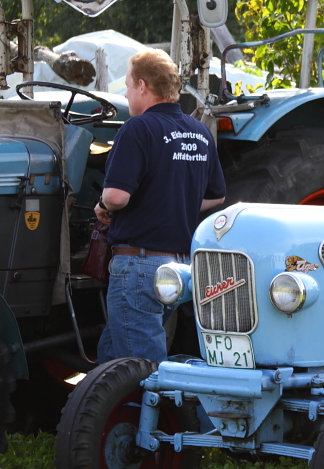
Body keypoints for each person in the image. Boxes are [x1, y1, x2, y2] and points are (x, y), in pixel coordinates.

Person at [95, 49, 225, 364]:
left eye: (128, 87)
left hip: (139, 267)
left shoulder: (137, 128)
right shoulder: (199, 132)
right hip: (180, 269)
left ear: (142, 86)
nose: (126, 95)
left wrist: (101, 205)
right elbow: (217, 196)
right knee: (111, 356)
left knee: (142, 369)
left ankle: (154, 398)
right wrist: (174, 202)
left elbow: (116, 197)